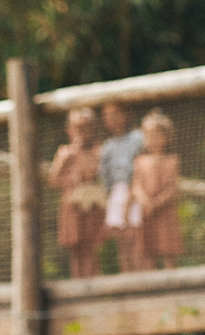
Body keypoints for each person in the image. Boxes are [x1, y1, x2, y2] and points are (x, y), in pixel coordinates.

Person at [49, 108, 105, 278]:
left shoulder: (98, 151)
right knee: (75, 248)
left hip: (92, 207)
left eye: (86, 127)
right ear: (69, 130)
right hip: (71, 207)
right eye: (77, 128)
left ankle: (93, 282)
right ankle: (78, 284)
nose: (81, 132)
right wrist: (65, 160)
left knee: (91, 247)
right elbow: (53, 181)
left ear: (93, 129)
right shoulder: (64, 152)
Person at [129, 108, 185, 270]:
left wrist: (157, 202)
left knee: (168, 249)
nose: (152, 139)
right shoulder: (140, 161)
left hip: (165, 212)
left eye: (156, 135)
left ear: (166, 137)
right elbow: (136, 186)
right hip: (146, 213)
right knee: (148, 251)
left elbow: (172, 187)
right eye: (148, 135)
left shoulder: (172, 161)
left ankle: (173, 282)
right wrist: (145, 201)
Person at [98, 103, 143, 273]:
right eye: (108, 116)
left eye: (116, 114)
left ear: (126, 114)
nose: (112, 119)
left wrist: (132, 193)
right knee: (122, 240)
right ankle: (128, 281)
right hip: (116, 194)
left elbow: (140, 166)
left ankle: (143, 280)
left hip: (136, 191)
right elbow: (105, 176)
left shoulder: (138, 138)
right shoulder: (107, 146)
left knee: (136, 237)